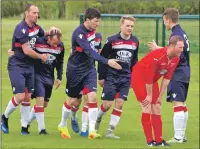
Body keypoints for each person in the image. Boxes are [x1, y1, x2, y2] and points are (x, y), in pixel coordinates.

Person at [57, 8, 121, 139]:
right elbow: (90, 52)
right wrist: (107, 61)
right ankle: (62, 124)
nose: (98, 24)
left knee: (92, 96)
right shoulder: (79, 33)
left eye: (99, 21)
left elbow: (95, 51)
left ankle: (92, 131)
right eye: (96, 21)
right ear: (87, 20)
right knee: (73, 100)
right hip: (75, 70)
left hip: (89, 69)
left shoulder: (93, 31)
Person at [1, 4, 59, 135]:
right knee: (21, 96)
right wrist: (41, 57)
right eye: (34, 13)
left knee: (27, 97)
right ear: (26, 13)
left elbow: (45, 34)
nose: (36, 15)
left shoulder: (36, 28)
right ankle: (4, 117)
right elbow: (26, 50)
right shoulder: (21, 28)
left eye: (37, 13)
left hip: (29, 66)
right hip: (17, 65)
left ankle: (24, 128)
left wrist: (52, 30)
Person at [132, 35, 184, 146]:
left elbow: (167, 78)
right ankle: (149, 141)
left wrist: (160, 96)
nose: (182, 50)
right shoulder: (157, 56)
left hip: (152, 81)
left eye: (182, 47)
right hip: (140, 78)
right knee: (147, 105)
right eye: (180, 47)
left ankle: (159, 141)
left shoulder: (176, 59)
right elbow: (148, 77)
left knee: (157, 106)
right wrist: (149, 96)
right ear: (171, 46)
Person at [148, 8, 190, 143]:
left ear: (168, 20)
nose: (164, 24)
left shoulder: (175, 35)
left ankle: (178, 137)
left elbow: (175, 53)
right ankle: (182, 136)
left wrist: (158, 49)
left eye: (164, 21)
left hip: (177, 71)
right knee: (182, 103)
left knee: (177, 103)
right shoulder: (181, 32)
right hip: (185, 71)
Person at [95, 15, 139, 139]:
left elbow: (134, 60)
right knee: (107, 105)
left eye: (132, 26)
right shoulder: (111, 41)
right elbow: (102, 59)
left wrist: (133, 77)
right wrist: (101, 77)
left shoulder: (135, 41)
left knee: (119, 103)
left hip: (126, 77)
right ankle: (96, 122)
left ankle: (110, 132)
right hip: (111, 76)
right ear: (121, 26)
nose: (130, 28)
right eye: (127, 26)